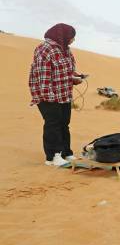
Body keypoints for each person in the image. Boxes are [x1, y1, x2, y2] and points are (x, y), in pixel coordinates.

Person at [29, 23, 86, 166]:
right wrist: (49, 97)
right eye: (72, 37)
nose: (73, 40)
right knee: (53, 124)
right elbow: (43, 76)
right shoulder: (45, 49)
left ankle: (66, 153)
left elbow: (67, 71)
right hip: (48, 94)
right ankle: (52, 157)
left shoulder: (66, 50)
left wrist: (75, 78)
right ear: (63, 35)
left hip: (64, 94)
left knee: (64, 124)